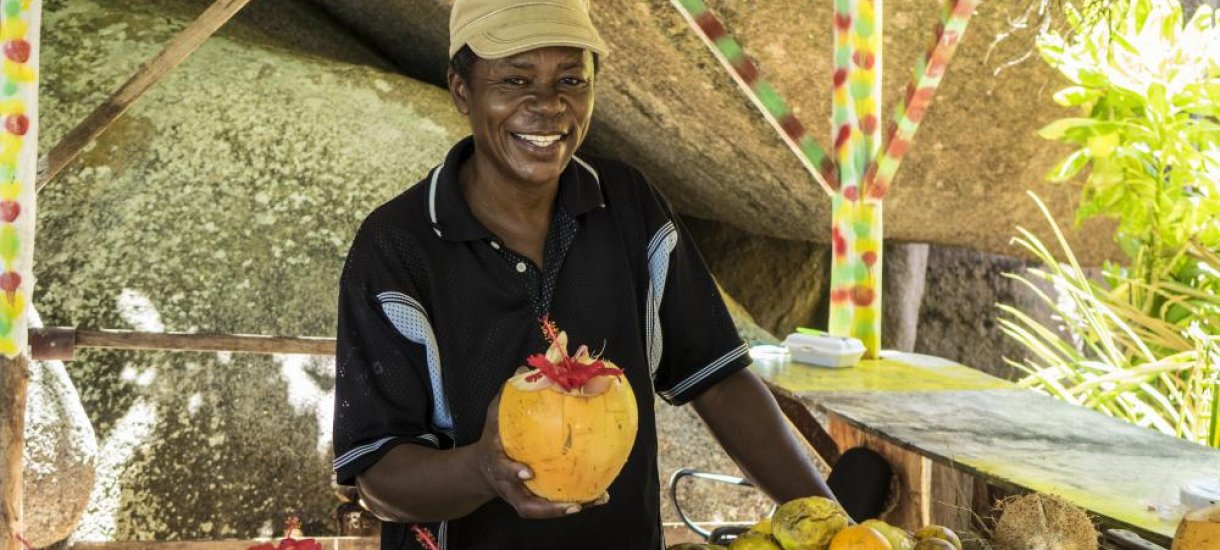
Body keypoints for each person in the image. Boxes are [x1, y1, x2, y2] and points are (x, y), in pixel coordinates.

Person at [332, 0, 844, 547]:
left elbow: (719, 381)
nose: (548, 106)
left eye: (571, 79)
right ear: (463, 90)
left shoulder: (628, 205)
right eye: (516, 79)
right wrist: (481, 470)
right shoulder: (397, 247)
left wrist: (838, 528)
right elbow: (378, 478)